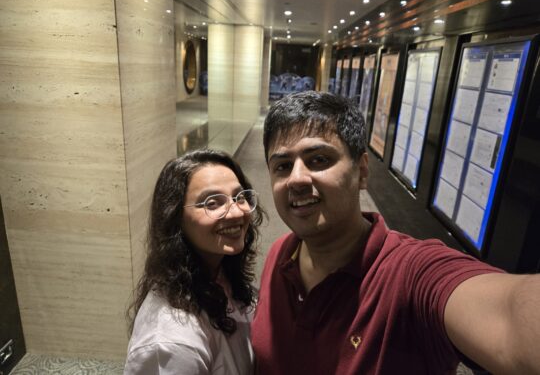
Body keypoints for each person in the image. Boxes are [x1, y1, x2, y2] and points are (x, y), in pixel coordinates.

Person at [252, 91, 540, 374]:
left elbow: (510, 320)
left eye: (319, 160)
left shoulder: (411, 274)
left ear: (362, 171)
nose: (297, 179)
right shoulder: (281, 254)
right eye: (283, 166)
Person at [125, 149, 264, 375]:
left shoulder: (217, 269)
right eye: (212, 203)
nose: (236, 212)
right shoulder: (173, 343)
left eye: (239, 197)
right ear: (175, 217)